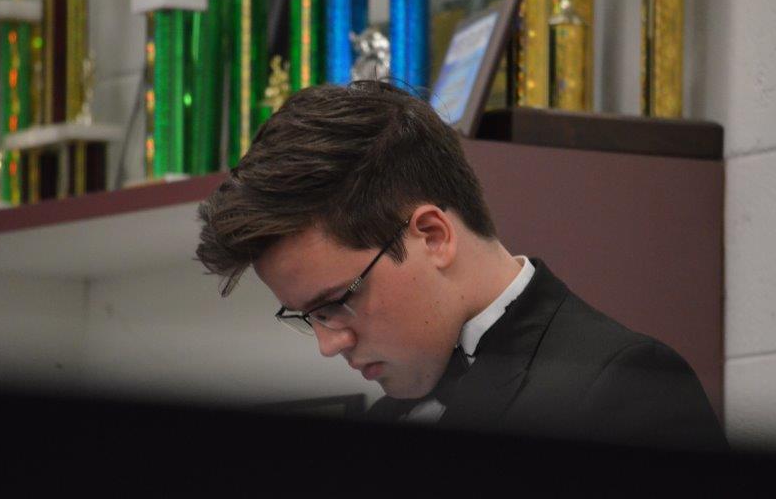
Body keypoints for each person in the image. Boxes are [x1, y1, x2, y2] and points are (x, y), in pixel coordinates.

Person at [195, 80, 728, 452]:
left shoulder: (625, 386)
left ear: (433, 236)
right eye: (308, 316)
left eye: (337, 302)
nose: (329, 344)